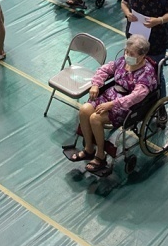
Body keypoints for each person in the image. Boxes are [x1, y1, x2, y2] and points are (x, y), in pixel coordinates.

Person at [68, 34, 159, 176]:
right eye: (126, 51)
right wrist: (96, 85)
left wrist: (112, 104)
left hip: (126, 106)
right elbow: (105, 69)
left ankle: (100, 155)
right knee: (84, 110)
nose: (127, 55)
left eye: (132, 53)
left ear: (143, 56)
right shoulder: (123, 61)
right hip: (110, 95)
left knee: (95, 118)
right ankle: (89, 148)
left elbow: (135, 97)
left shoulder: (146, 73)